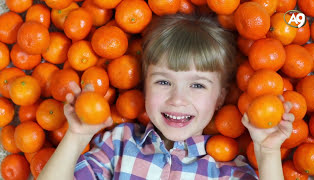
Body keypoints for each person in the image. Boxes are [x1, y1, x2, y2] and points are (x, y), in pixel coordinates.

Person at [38, 12, 294, 180]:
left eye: (197, 86)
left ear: (220, 98)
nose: (177, 98)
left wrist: (267, 153)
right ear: (144, 87)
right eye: (163, 81)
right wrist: (76, 137)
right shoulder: (118, 143)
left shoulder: (227, 169)